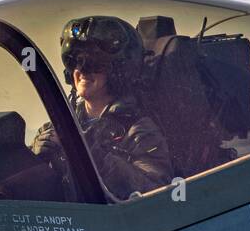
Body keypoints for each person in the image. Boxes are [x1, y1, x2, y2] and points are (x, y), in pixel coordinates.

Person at [32, 16, 173, 200]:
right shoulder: (56, 127)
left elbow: (156, 193)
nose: (81, 70)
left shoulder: (140, 131)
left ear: (118, 71)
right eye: (75, 60)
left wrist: (93, 156)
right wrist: (35, 157)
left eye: (94, 62)